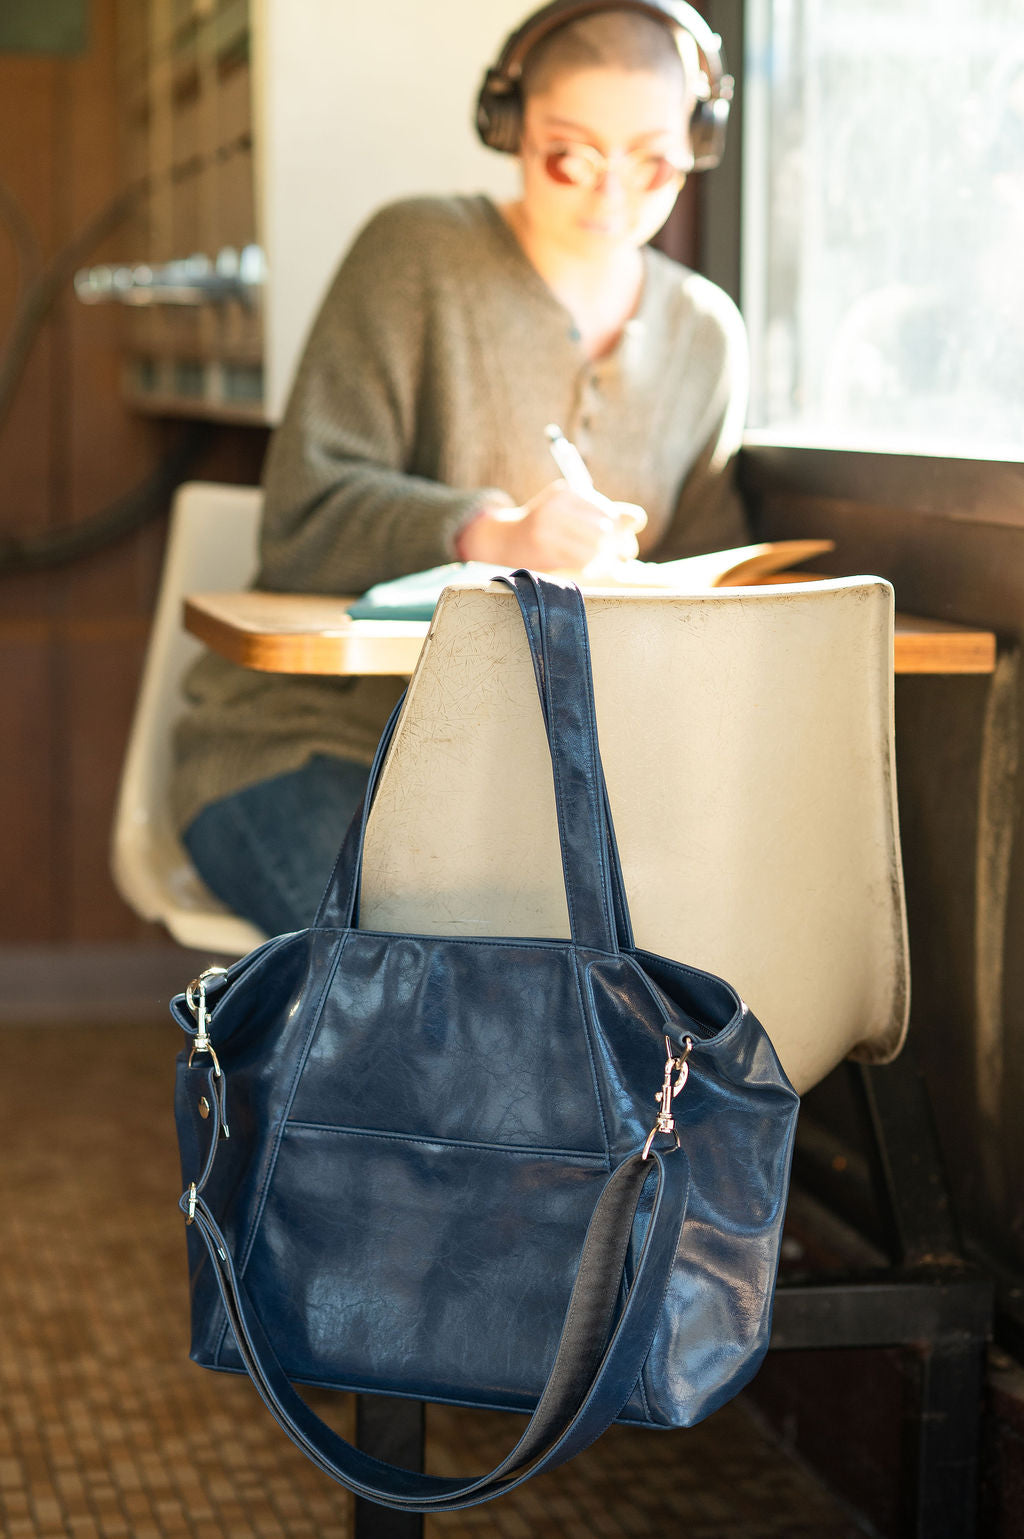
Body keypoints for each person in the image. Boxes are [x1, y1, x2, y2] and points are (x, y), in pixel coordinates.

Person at [172, 0, 750, 936]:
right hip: (308, 748)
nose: (613, 196)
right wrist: (496, 532)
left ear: (698, 143)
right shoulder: (417, 254)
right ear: (511, 127)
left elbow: (713, 587)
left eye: (652, 163)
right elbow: (300, 519)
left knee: (676, 958)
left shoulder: (705, 337)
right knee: (441, 992)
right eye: (573, 154)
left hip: (540, 790)